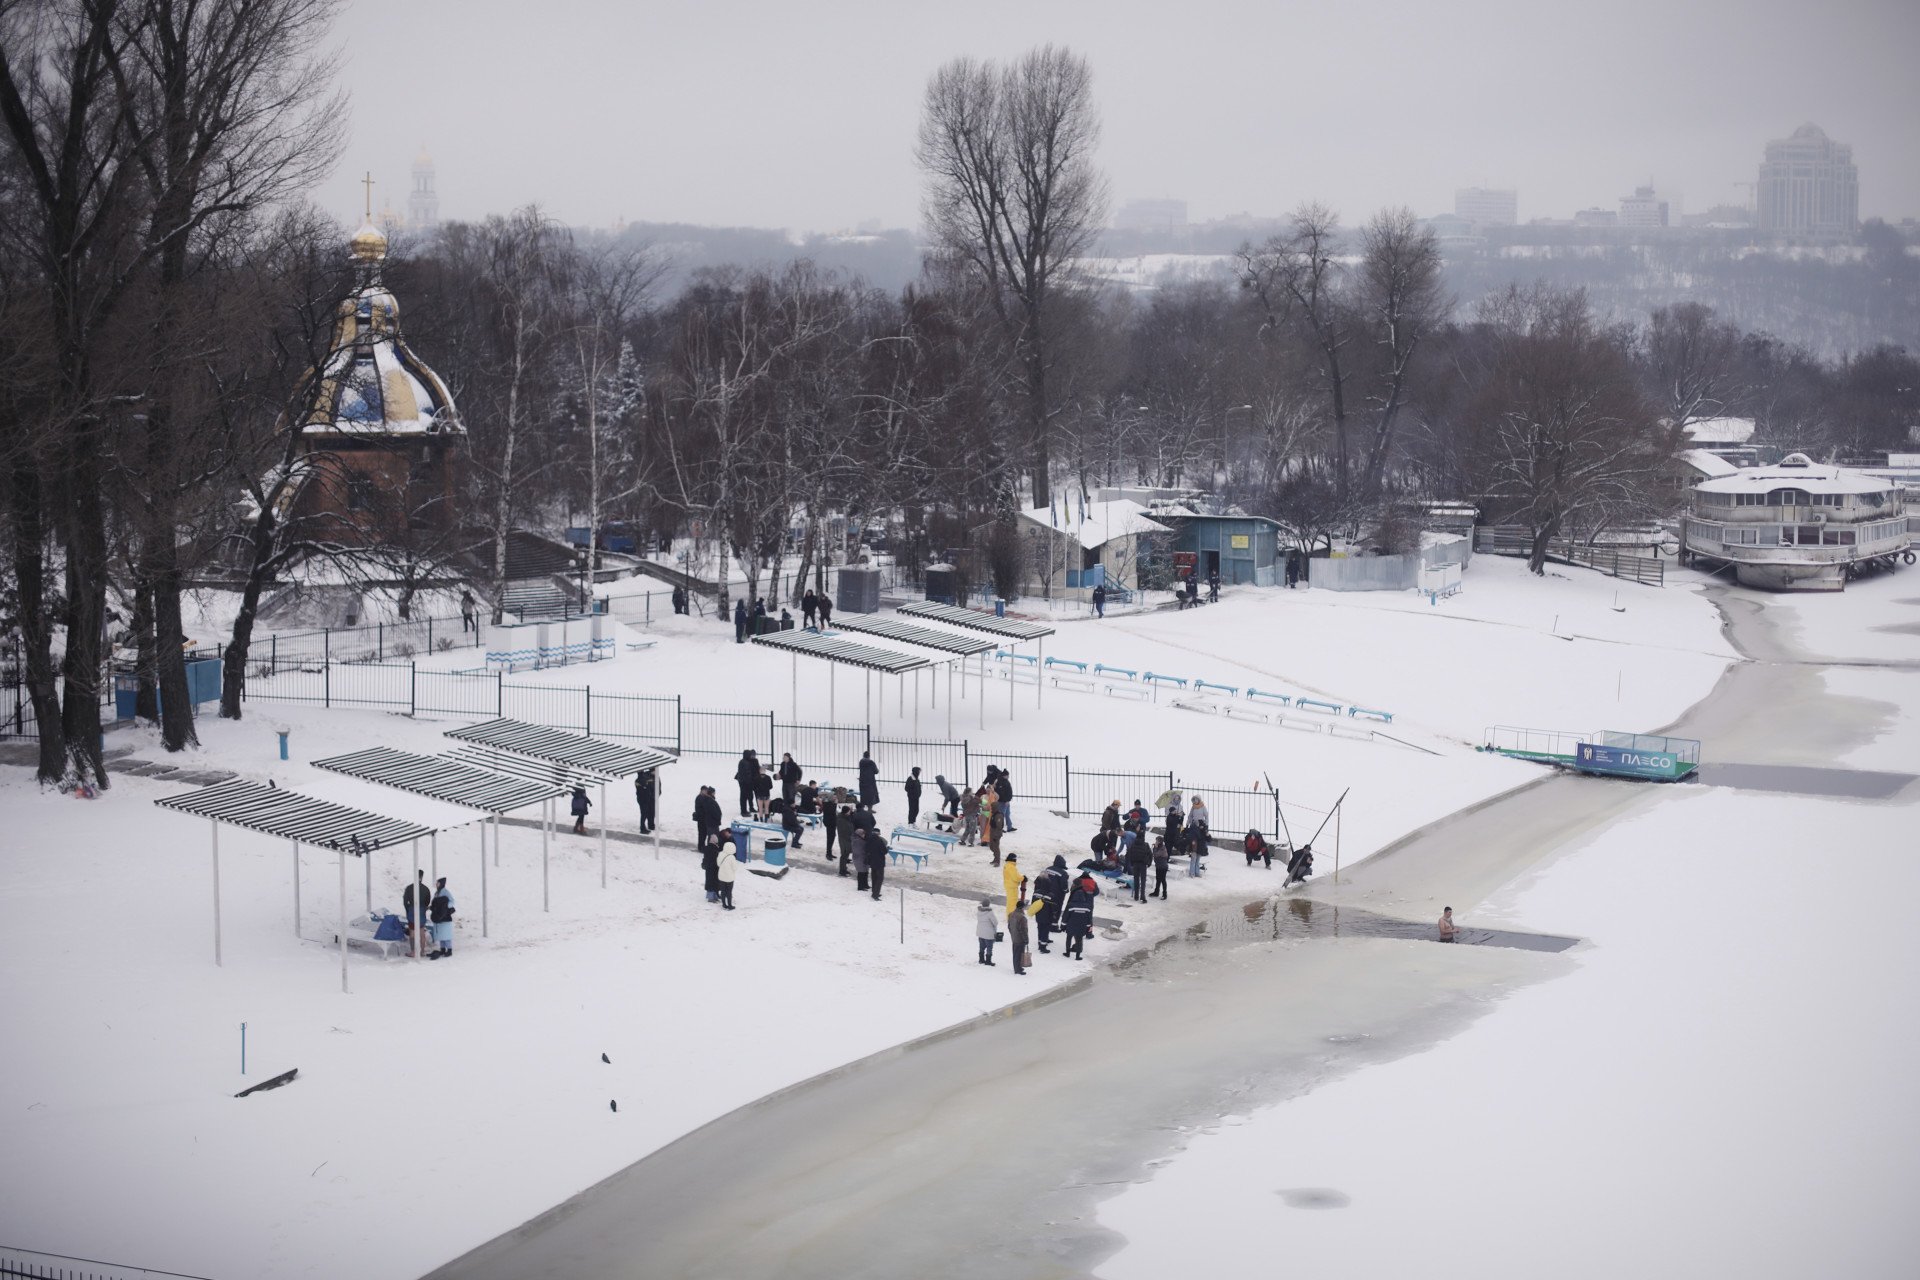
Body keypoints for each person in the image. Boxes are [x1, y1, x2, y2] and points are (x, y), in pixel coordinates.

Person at [1033, 855, 1068, 952]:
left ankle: (1043, 938)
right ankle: (1053, 927)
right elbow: (1064, 886)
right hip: (1056, 896)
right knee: (1053, 912)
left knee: (1042, 919)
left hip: (1043, 893)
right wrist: (1066, 890)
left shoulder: (1048, 869)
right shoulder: (1063, 873)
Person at [1063, 870, 1099, 960]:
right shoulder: (1093, 881)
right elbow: (1096, 892)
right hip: (1089, 902)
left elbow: (1072, 890)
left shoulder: (1077, 880)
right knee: (1088, 918)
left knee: (1074, 917)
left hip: (1075, 901)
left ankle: (1068, 950)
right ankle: (1089, 933)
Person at [403, 869, 430, 953]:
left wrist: (408, 910)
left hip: (411, 910)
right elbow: (427, 901)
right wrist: (423, 909)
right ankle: (422, 951)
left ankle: (413, 951)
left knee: (412, 932)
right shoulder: (426, 889)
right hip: (421, 911)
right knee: (422, 932)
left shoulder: (409, 888)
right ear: (422, 877)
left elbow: (405, 901)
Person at [428, 878, 455, 958]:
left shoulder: (446, 892)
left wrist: (445, 907)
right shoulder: (437, 893)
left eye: (438, 883)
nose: (436, 884)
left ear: (441, 884)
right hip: (438, 917)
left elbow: (452, 901)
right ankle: (442, 949)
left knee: (446, 934)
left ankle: (449, 950)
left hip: (445, 917)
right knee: (441, 934)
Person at [1007, 889, 1031, 976]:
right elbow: (1023, 930)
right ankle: (1018, 969)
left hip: (1014, 937)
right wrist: (1026, 939)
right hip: (1020, 939)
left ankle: (1017, 967)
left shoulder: (1011, 914)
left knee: (1015, 953)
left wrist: (1012, 934)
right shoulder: (1022, 918)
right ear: (1022, 907)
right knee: (1019, 954)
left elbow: (1009, 926)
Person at [1126, 832, 1151, 902]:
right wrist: (1148, 863)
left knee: (1136, 880)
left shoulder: (1133, 844)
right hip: (1143, 864)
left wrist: (1131, 863)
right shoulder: (1146, 845)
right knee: (1143, 881)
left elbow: (1130, 854)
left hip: (1135, 864)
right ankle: (1142, 896)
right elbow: (1150, 854)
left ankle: (1136, 896)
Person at [863, 830, 888, 900]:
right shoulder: (879, 840)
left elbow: (866, 849)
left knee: (874, 877)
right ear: (878, 834)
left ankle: (874, 892)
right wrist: (887, 849)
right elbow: (885, 851)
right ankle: (875, 895)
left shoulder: (869, 839)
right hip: (879, 862)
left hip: (872, 861)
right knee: (880, 878)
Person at [715, 834, 737, 910]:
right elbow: (735, 868)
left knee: (723, 891)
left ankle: (724, 904)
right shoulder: (732, 857)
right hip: (729, 878)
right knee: (729, 892)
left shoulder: (721, 854)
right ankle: (730, 905)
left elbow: (718, 864)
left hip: (721, 876)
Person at [734, 750, 759, 818]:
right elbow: (746, 774)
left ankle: (746, 810)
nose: (751, 756)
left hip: (745, 782)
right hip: (744, 783)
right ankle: (743, 811)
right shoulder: (744, 762)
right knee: (743, 797)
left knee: (747, 796)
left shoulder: (746, 761)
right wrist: (749, 782)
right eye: (750, 755)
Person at [700, 833, 723, 903]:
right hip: (714, 868)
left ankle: (713, 896)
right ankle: (712, 897)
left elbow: (705, 858)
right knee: (714, 882)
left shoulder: (707, 848)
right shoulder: (715, 849)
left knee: (710, 882)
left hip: (709, 868)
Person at [975, 898, 998, 966]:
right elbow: (995, 922)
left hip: (980, 932)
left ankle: (981, 959)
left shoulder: (979, 911)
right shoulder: (990, 913)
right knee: (989, 947)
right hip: (988, 933)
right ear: (988, 904)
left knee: (981, 947)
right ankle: (988, 961)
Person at [634, 767, 657, 834]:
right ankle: (642, 828)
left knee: (645, 813)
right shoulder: (640, 780)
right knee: (644, 814)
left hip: (643, 799)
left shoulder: (639, 780)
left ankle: (643, 827)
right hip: (643, 799)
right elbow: (644, 787)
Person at [822, 791, 841, 865]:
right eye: (834, 797)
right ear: (830, 797)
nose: (835, 798)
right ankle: (828, 853)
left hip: (832, 823)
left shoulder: (829, 803)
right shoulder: (828, 804)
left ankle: (829, 852)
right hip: (830, 823)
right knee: (830, 838)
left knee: (832, 837)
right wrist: (835, 804)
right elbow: (832, 812)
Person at [1151, 835, 1170, 899]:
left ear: (1159, 841)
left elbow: (1156, 855)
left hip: (1163, 867)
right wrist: (1155, 847)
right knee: (1158, 879)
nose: (1155, 841)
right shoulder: (1159, 847)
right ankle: (1156, 892)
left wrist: (1155, 847)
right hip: (1158, 866)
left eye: (1156, 840)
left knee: (1163, 880)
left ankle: (1164, 894)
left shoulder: (1163, 848)